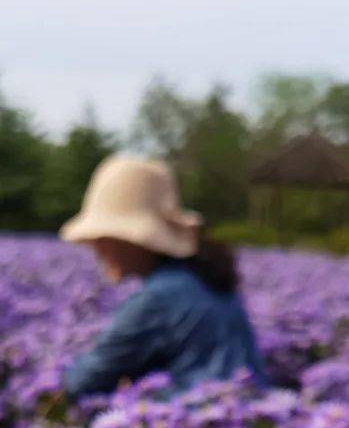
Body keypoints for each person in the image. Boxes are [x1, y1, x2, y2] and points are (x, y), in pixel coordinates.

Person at [59, 155, 267, 397]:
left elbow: (84, 381)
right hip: (251, 408)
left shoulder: (156, 299)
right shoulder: (203, 276)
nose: (95, 246)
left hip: (200, 423)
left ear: (134, 239)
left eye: (103, 236)